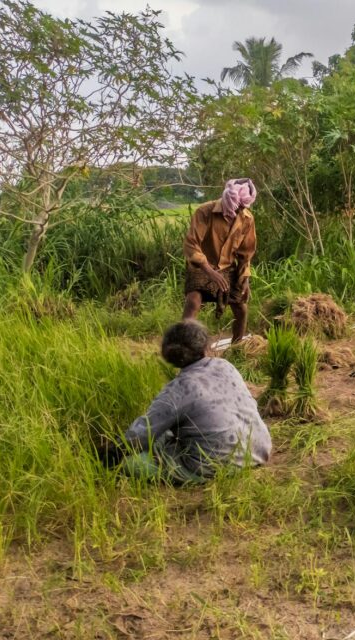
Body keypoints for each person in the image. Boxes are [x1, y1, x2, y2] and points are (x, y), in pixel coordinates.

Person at [119, 320, 272, 484]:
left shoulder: (177, 389)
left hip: (217, 464)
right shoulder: (225, 366)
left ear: (169, 356)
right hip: (258, 450)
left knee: (132, 463)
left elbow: (142, 433)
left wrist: (115, 451)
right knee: (167, 433)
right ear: (204, 345)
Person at [183, 178, 258, 344]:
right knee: (193, 302)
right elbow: (191, 245)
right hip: (201, 266)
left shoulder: (247, 218)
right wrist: (210, 272)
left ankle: (237, 347)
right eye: (236, 207)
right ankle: (185, 345)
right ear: (227, 200)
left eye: (243, 208)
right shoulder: (204, 211)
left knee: (241, 308)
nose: (239, 211)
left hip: (227, 267)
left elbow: (246, 253)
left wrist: (245, 277)